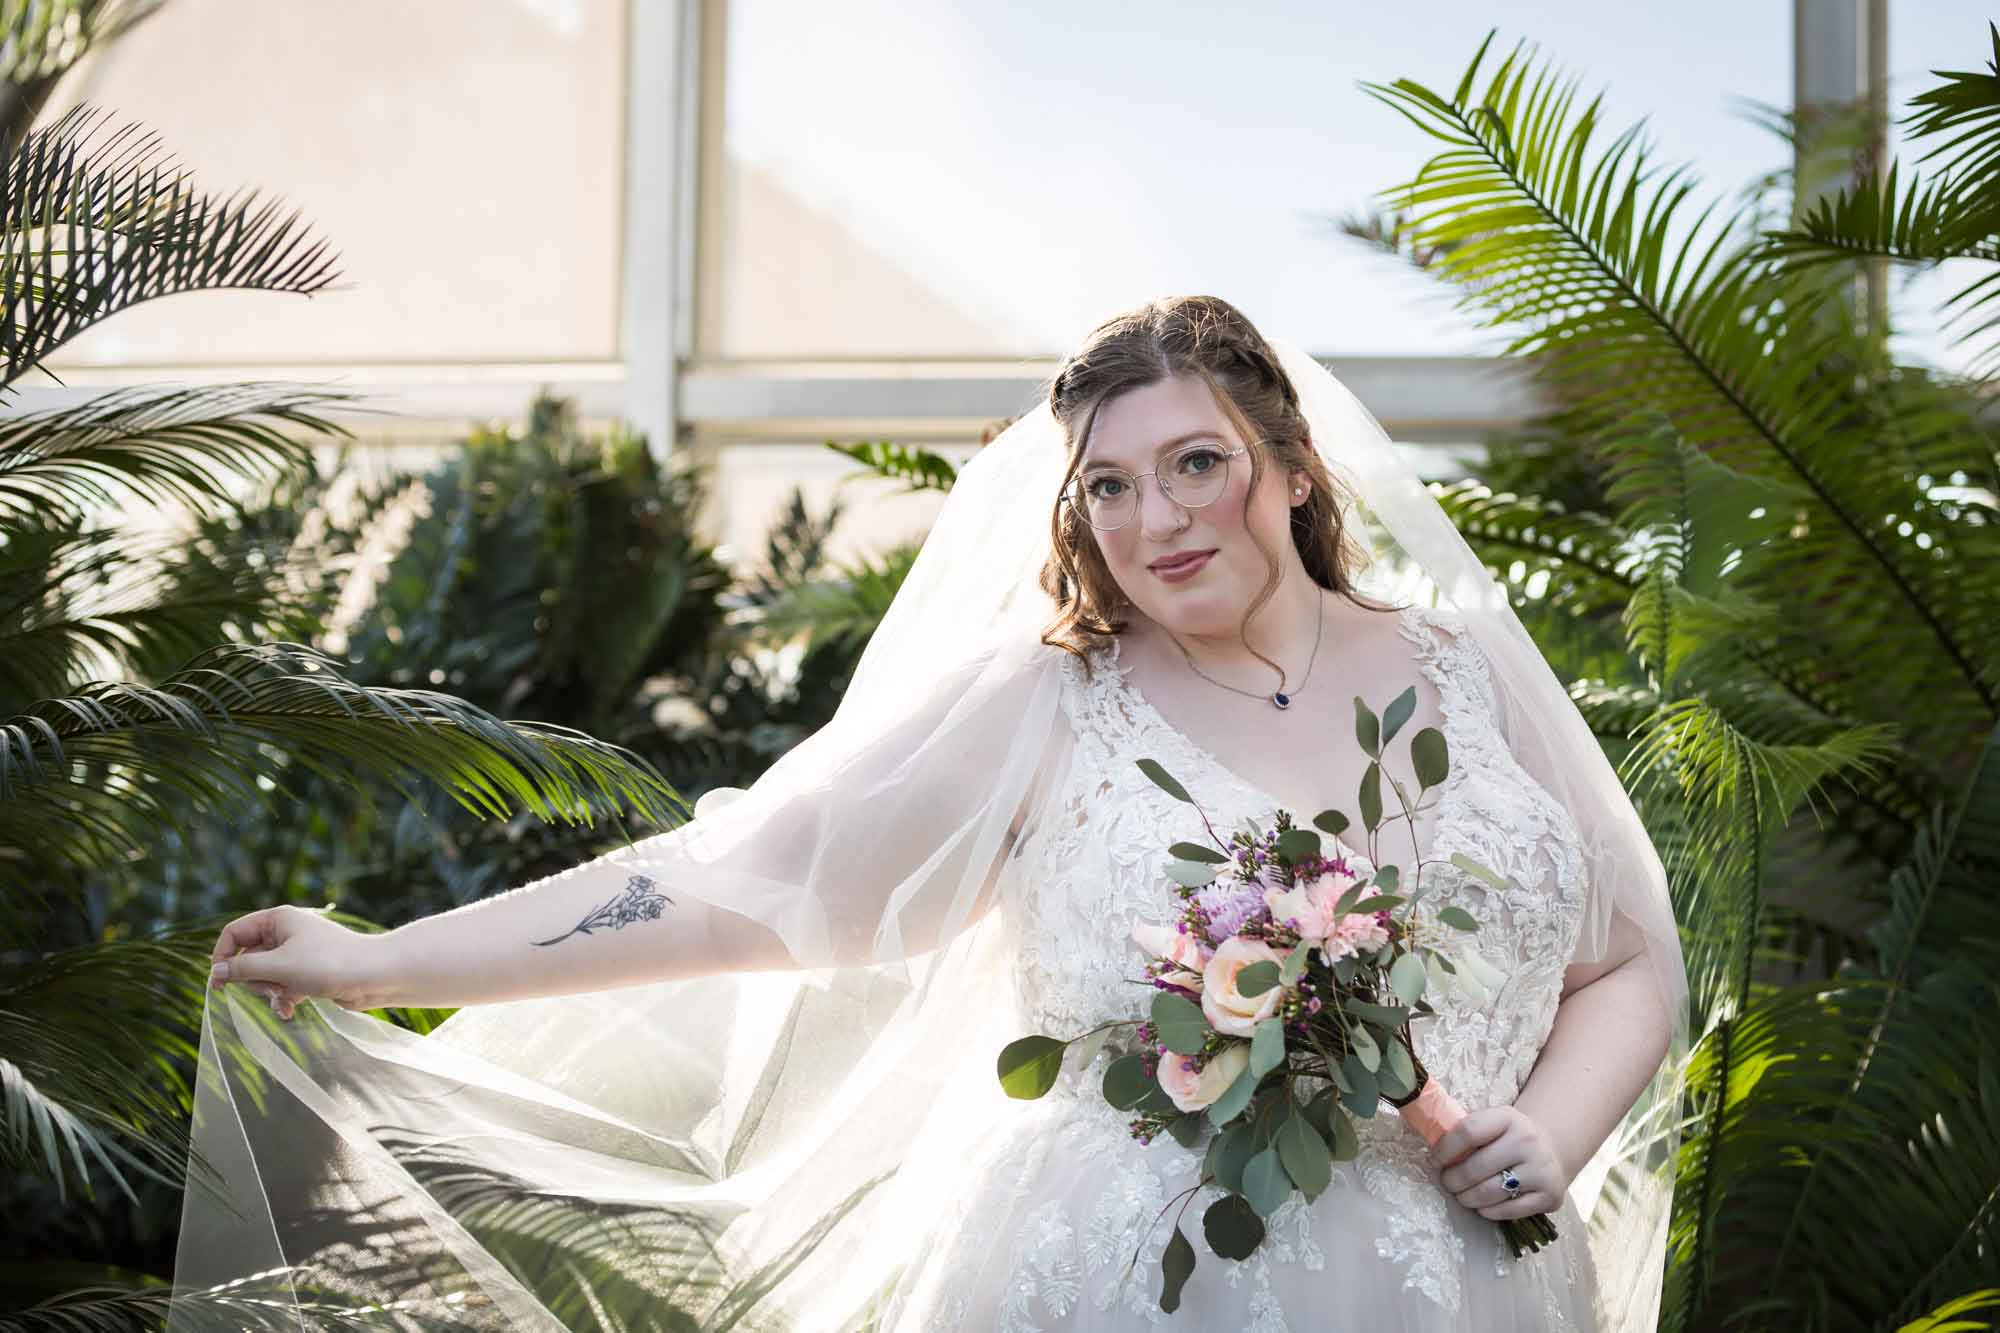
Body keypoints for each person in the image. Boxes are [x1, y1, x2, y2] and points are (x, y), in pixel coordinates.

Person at [180, 296, 1687, 1332]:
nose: (1156, 519)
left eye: (1197, 464)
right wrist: (379, 958)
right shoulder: (1048, 705)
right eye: (1108, 486)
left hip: (1467, 1284)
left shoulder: (1469, 669)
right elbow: (729, 883)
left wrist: (1550, 1134)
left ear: (1291, 467)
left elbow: (1632, 962)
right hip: (1125, 1287)